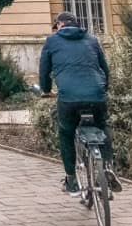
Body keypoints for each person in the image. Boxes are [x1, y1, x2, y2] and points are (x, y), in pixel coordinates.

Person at [39, 11, 122, 195]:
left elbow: (44, 71)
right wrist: (103, 89)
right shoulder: (92, 39)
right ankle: (107, 166)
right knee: (102, 125)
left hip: (68, 98)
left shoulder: (52, 41)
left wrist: (45, 91)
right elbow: (104, 69)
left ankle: (71, 179)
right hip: (96, 94)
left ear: (60, 25)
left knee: (66, 132)